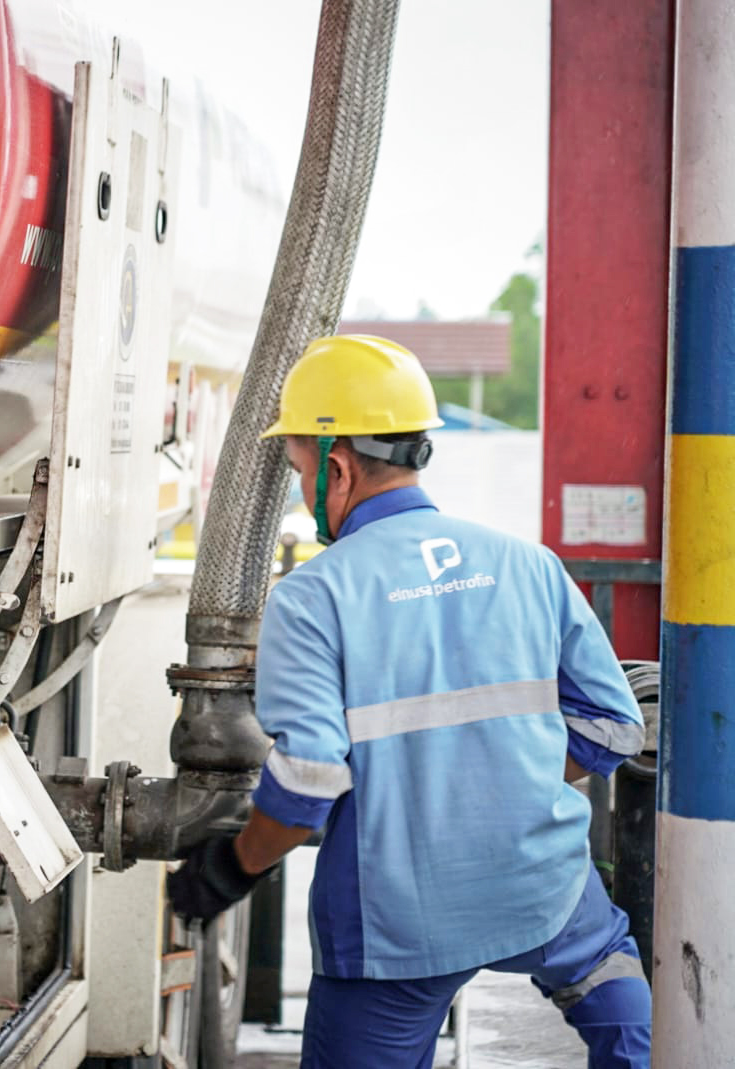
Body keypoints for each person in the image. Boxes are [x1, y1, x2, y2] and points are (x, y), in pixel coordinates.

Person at [168, 335, 652, 1067]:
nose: (305, 488)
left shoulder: (311, 598)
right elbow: (615, 728)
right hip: (541, 889)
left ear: (337, 465)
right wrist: (498, 783)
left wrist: (229, 868)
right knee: (615, 990)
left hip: (395, 922)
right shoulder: (528, 565)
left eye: (301, 469)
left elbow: (307, 786)